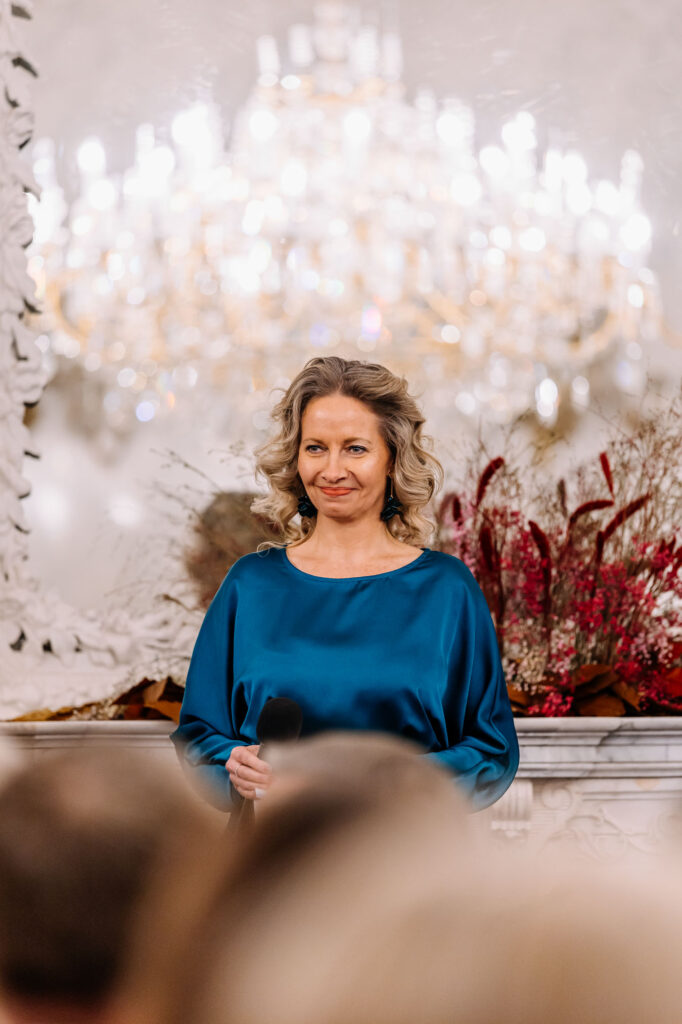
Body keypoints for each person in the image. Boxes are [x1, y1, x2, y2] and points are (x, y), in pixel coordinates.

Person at [170, 355, 519, 814]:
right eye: (316, 448)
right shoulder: (250, 585)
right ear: (296, 458)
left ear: (392, 459)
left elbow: (491, 750)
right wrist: (234, 763)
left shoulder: (446, 590)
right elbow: (200, 735)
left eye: (355, 448)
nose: (332, 470)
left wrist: (383, 782)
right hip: (274, 843)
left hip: (404, 843)